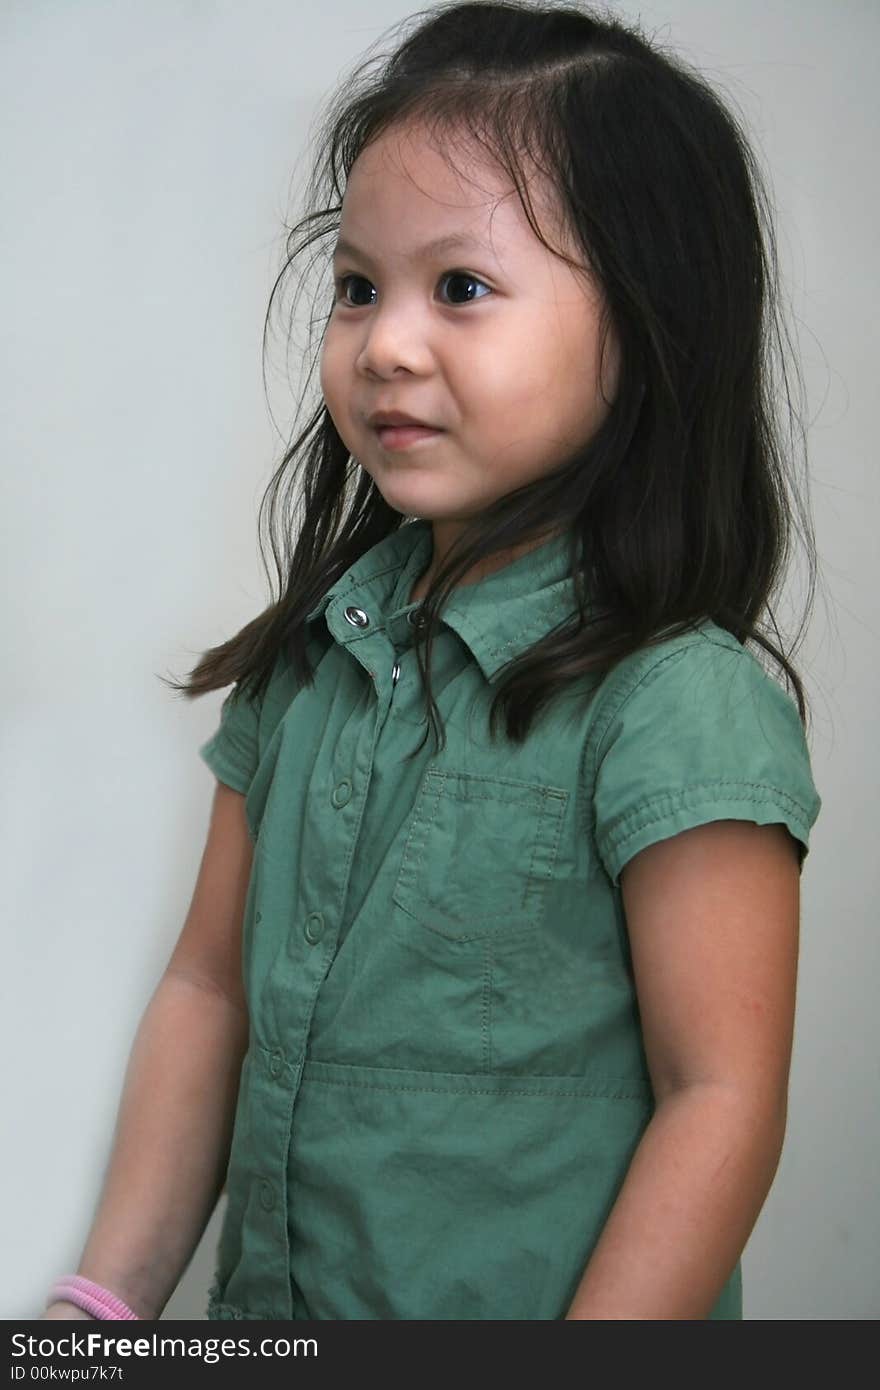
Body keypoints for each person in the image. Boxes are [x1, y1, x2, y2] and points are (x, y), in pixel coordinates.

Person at [44, 0, 824, 1322]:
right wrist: (98, 1312)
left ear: (647, 326)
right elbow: (206, 984)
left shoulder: (677, 701)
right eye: (359, 286)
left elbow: (721, 1099)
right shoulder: (307, 661)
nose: (386, 343)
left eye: (460, 288)